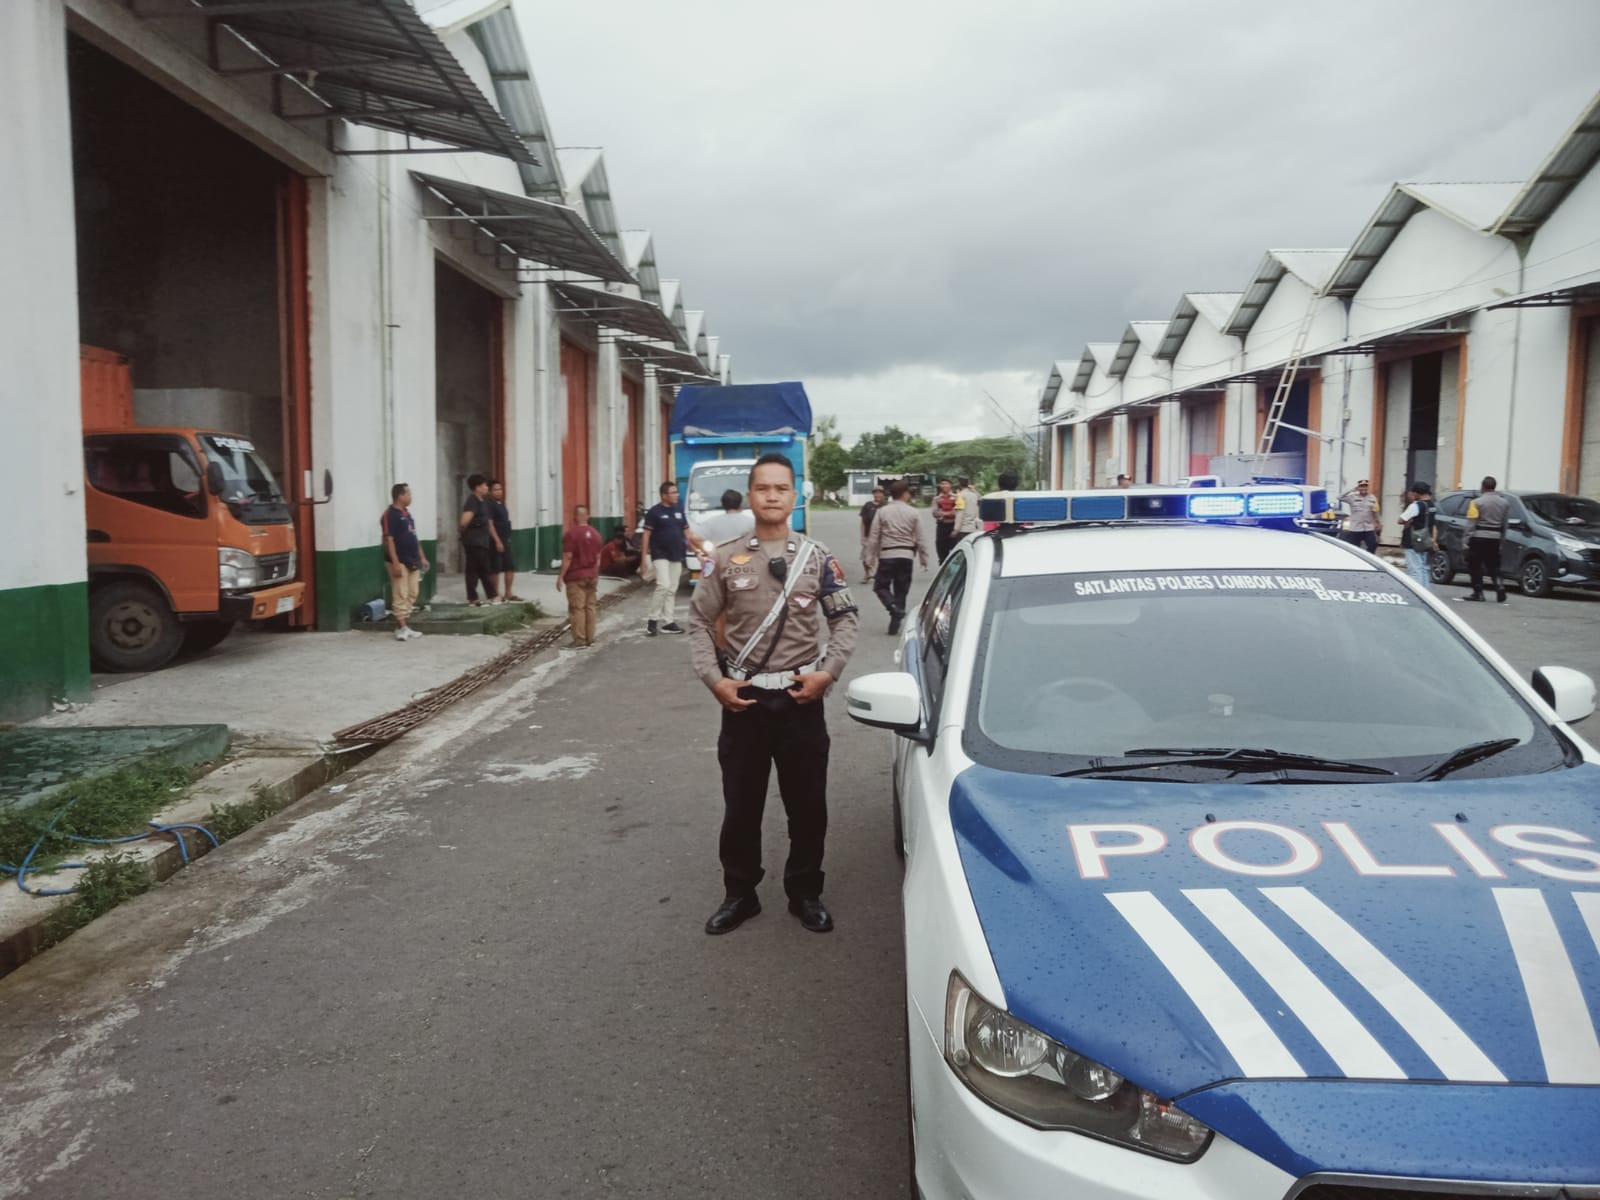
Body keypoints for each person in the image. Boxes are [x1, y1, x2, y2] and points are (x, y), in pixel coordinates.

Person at [687, 453, 860, 936]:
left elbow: (844, 618)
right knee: (741, 806)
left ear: (794, 495)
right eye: (762, 488)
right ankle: (740, 894)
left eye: (781, 488)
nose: (771, 496)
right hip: (744, 702)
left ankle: (805, 892)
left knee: (808, 806)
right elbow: (699, 623)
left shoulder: (818, 557)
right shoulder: (724, 559)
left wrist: (829, 673)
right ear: (750, 495)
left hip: (802, 698)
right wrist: (714, 680)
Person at [864, 479, 932, 634]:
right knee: (901, 589)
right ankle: (896, 615)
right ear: (905, 494)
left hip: (888, 554)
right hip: (906, 556)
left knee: (880, 586)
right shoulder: (913, 512)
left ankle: (893, 608)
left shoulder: (882, 511)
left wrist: (869, 558)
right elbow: (921, 538)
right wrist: (924, 558)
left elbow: (874, 536)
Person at [640, 480, 692, 636]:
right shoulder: (654, 512)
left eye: (677, 492)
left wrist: (696, 548)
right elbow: (646, 535)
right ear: (664, 495)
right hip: (660, 554)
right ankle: (652, 621)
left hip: (676, 554)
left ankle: (668, 622)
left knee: (672, 589)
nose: (677, 495)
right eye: (673, 492)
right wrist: (643, 558)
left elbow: (687, 533)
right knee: (663, 585)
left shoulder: (678, 510)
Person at [382, 483, 429, 641]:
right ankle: (402, 627)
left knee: (412, 593)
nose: (411, 497)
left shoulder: (407, 514)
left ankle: (403, 625)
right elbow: (389, 540)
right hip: (399, 561)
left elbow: (414, 537)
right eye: (408, 494)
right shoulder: (390, 515)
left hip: (412, 560)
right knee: (400, 593)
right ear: (399, 496)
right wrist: (395, 563)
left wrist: (422, 557)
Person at [556, 504, 602, 647]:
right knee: (590, 606)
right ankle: (590, 637)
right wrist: (594, 572)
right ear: (588, 516)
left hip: (576, 576)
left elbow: (568, 557)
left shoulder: (570, 534)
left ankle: (580, 639)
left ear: (575, 517)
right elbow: (598, 557)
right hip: (592, 574)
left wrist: (560, 577)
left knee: (577, 608)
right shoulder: (596, 534)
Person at [1461, 476, 1510, 603]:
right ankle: (1499, 585)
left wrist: (1466, 541)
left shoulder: (1476, 503)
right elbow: (1505, 524)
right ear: (1494, 487)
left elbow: (1471, 523)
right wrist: (1501, 541)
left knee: (1475, 566)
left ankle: (1478, 593)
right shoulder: (1504, 503)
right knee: (1494, 565)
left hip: (1478, 537)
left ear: (1482, 486)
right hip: (1495, 537)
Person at [459, 474, 501, 605]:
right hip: (474, 542)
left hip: (481, 542)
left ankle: (483, 596)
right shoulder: (472, 501)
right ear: (477, 487)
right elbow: (464, 522)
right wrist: (474, 527)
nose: (486, 487)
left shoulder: (482, 501)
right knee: (478, 570)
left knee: (480, 570)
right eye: (484, 485)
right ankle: (484, 596)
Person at [488, 480, 522, 602]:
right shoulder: (489, 505)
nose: (499, 492)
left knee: (509, 567)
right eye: (496, 489)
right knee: (495, 569)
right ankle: (496, 593)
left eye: (500, 489)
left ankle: (508, 592)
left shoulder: (502, 504)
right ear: (490, 491)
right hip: (495, 542)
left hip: (506, 540)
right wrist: (497, 541)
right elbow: (490, 525)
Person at [1398, 481, 1436, 591]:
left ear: (1418, 493)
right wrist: (1434, 540)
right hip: (1425, 539)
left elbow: (1401, 520)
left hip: (1413, 540)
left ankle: (1417, 592)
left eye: (1413, 493)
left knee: (1414, 570)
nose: (1412, 495)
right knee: (1423, 568)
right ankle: (1425, 592)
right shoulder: (1432, 505)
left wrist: (1409, 521)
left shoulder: (1416, 506)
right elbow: (1433, 524)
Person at [1340, 479, 1381, 553]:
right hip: (1355, 528)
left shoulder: (1373, 498)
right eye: (1361, 486)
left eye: (1365, 486)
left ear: (1368, 487)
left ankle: (1368, 560)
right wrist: (1352, 490)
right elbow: (1339, 497)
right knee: (1354, 549)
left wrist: (1378, 523)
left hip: (1368, 528)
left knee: (1372, 545)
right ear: (1358, 488)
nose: (1364, 488)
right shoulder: (1352, 497)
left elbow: (1376, 512)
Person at [858, 485, 886, 582]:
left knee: (882, 557)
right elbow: (863, 522)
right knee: (865, 557)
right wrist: (862, 536)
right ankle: (867, 574)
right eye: (875, 492)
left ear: (883, 494)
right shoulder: (868, 506)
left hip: (882, 536)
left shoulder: (886, 506)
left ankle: (881, 575)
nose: (877, 495)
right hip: (868, 535)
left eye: (880, 493)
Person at [981, 469, 1021, 533]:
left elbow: (989, 529)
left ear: (999, 485)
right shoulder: (1023, 503)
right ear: (1016, 485)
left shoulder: (991, 502)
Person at [932, 478, 958, 562]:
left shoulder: (956, 497)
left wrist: (943, 513)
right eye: (942, 484)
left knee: (955, 547)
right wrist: (949, 513)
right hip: (941, 526)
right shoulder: (936, 499)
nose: (944, 485)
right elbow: (935, 513)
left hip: (953, 526)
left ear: (950, 485)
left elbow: (957, 512)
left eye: (946, 483)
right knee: (941, 546)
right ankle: (942, 563)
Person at [953, 476, 981, 543]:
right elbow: (981, 499)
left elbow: (960, 513)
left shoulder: (960, 495)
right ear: (968, 483)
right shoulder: (974, 495)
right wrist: (974, 490)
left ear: (959, 484)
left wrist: (956, 529)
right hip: (974, 528)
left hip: (964, 529)